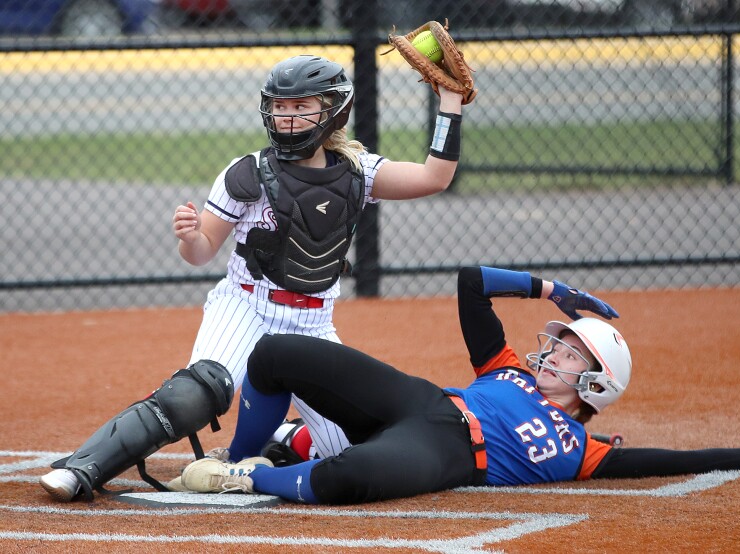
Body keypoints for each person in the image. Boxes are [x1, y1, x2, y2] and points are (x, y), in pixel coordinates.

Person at [39, 54, 470, 502]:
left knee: (349, 448)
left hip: (313, 322)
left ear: (335, 110)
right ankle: (82, 466)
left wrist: (451, 104)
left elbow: (434, 177)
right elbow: (202, 251)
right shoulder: (248, 172)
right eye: (280, 107)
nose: (287, 117)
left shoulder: (358, 172)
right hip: (247, 306)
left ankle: (275, 439)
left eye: (302, 106)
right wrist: (189, 237)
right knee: (199, 392)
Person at [176, 265, 740, 504]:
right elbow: (470, 282)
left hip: (451, 455)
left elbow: (671, 461)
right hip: (424, 401)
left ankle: (250, 477)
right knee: (280, 351)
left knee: (346, 482)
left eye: (569, 351)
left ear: (594, 384)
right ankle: (247, 454)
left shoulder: (580, 449)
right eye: (559, 341)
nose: (553, 349)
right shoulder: (506, 367)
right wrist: (551, 290)